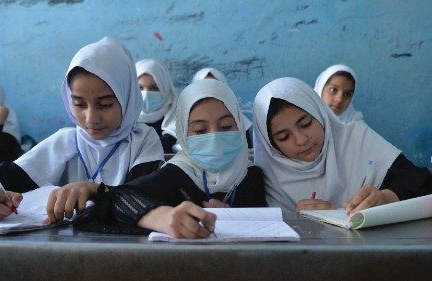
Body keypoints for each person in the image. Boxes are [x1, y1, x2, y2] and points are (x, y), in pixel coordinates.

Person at [0, 37, 164, 220]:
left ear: (127, 98)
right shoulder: (65, 142)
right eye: (79, 104)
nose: (91, 118)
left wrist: (94, 190)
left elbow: (146, 196)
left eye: (105, 104)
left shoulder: (143, 141)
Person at [78, 79, 266, 239]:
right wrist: (159, 216)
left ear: (240, 126)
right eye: (200, 131)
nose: (215, 137)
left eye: (225, 127)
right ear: (183, 135)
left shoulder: (252, 176)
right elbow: (115, 200)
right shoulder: (174, 175)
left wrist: (235, 218)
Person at [253, 77, 431, 214]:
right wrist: (296, 222)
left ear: (321, 114)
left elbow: (424, 184)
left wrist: (387, 197)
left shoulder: (357, 140)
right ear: (271, 145)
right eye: (284, 137)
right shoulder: (264, 177)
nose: (301, 140)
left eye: (306, 123)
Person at [192, 67, 253, 148]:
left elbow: (247, 152)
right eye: (200, 131)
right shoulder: (185, 122)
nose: (210, 93)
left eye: (226, 127)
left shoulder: (240, 122)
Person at [135, 59, 177, 152]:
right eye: (140, 88)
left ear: (165, 90)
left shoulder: (180, 123)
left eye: (154, 88)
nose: (145, 94)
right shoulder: (123, 123)